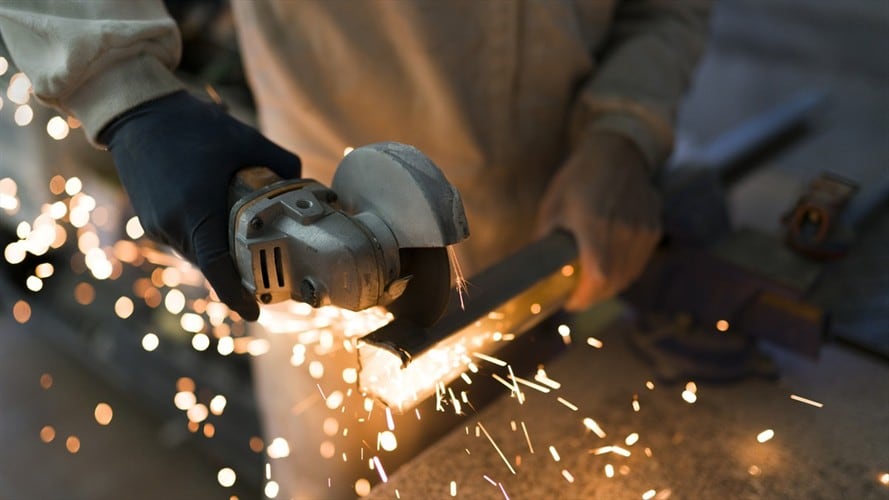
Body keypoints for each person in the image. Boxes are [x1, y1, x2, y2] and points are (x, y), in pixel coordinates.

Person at [1, 1, 710, 496]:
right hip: (336, 298)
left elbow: (666, 7)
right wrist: (126, 92)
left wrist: (622, 128)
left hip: (559, 237)